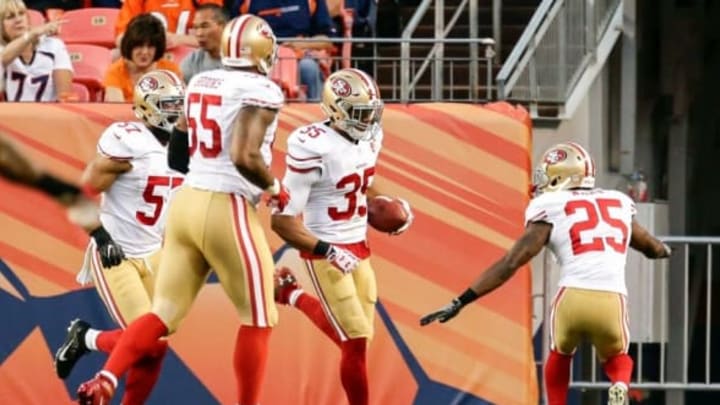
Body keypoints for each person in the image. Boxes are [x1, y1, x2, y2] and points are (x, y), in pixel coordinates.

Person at [76, 14, 289, 405]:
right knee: (259, 317)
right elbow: (245, 156)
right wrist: (275, 187)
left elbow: (177, 155)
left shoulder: (201, 83)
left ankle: (106, 376)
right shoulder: (262, 90)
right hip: (226, 204)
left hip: (186, 206)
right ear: (259, 51)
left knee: (160, 319)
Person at [419, 142, 672, 405]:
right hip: (612, 299)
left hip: (572, 298)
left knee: (560, 355)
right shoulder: (619, 202)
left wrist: (462, 300)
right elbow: (650, 247)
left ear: (563, 175)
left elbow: (511, 262)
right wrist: (665, 250)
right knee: (618, 356)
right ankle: (619, 385)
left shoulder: (551, 204)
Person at [271, 67, 413, 405]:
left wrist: (389, 206)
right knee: (355, 339)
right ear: (336, 110)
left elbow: (362, 180)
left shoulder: (370, 137)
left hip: (359, 243)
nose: (367, 121)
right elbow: (282, 221)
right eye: (359, 113)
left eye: (370, 113)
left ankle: (291, 295)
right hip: (325, 249)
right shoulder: (313, 147)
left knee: (358, 336)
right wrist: (328, 250)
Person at [52, 70, 186, 405]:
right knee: (150, 343)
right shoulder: (129, 142)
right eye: (169, 105)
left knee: (157, 342)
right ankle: (87, 340)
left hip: (154, 252)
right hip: (117, 253)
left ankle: (86, 337)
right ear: (147, 107)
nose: (177, 112)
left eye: (179, 104)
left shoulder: (187, 145)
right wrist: (100, 235)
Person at [236, 0, 338, 100]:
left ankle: (316, 110)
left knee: (308, 68)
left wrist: (303, 43)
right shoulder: (246, 2)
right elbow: (235, 34)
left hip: (300, 56)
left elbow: (328, 39)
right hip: (260, 58)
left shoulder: (312, 2)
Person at [0, 0, 72, 102]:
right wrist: (31, 35)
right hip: (13, 116)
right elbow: (3, 58)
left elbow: (64, 95)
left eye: (21, 14)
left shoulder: (53, 46)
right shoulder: (3, 50)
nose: (18, 20)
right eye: (10, 17)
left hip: (50, 115)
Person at [103, 14, 182, 103]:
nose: (144, 52)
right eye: (139, 46)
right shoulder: (115, 72)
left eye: (150, 46)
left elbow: (178, 106)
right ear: (129, 45)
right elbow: (115, 110)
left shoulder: (171, 71)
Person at [115, 0, 223, 50]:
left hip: (193, 57)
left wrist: (179, 39)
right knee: (113, 56)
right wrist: (149, 40)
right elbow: (121, 38)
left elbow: (217, 38)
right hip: (150, 56)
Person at [179, 3, 227, 83]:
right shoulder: (193, 60)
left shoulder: (243, 60)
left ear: (223, 26)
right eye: (195, 28)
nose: (199, 33)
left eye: (205, 26)